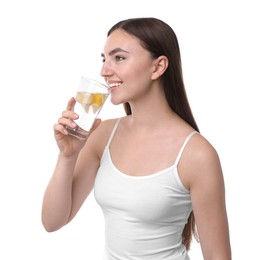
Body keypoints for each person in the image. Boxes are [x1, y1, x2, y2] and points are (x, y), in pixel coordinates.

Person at [42, 17, 232, 260]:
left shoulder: (197, 155)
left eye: (119, 58)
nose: (104, 70)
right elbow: (52, 221)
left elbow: (218, 256)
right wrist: (67, 156)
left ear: (158, 67)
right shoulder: (102, 135)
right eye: (104, 59)